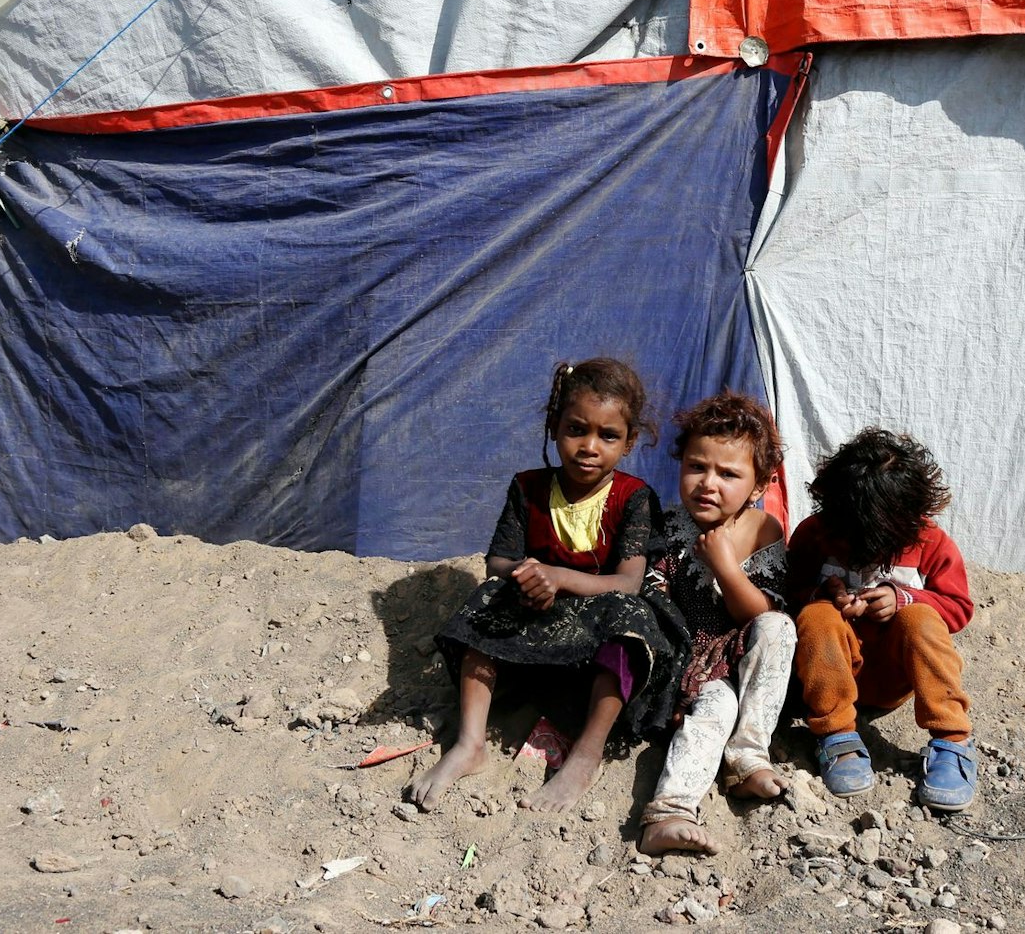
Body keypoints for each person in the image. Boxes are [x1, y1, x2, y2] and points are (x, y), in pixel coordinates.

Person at [409, 358, 680, 813]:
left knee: (633, 620)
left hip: (598, 622)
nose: (589, 447)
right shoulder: (528, 488)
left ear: (629, 442)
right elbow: (497, 561)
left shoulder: (633, 497)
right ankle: (470, 743)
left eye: (608, 436)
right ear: (555, 428)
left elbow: (629, 581)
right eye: (576, 429)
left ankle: (586, 753)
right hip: (539, 615)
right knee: (487, 598)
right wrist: (528, 575)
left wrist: (560, 577)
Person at [636, 393, 794, 856]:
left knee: (779, 627)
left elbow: (758, 615)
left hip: (740, 655)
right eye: (696, 467)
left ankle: (747, 757)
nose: (708, 484)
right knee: (718, 705)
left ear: (759, 484)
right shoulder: (669, 527)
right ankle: (668, 814)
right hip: (687, 662)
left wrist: (725, 566)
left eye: (728, 474)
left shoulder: (764, 531)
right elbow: (653, 604)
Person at [788, 427, 978, 811]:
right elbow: (785, 592)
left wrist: (902, 598)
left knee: (920, 617)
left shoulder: (930, 542)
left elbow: (958, 607)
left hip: (894, 677)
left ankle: (952, 740)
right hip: (828, 675)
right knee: (818, 616)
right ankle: (837, 735)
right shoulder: (815, 534)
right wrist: (822, 595)